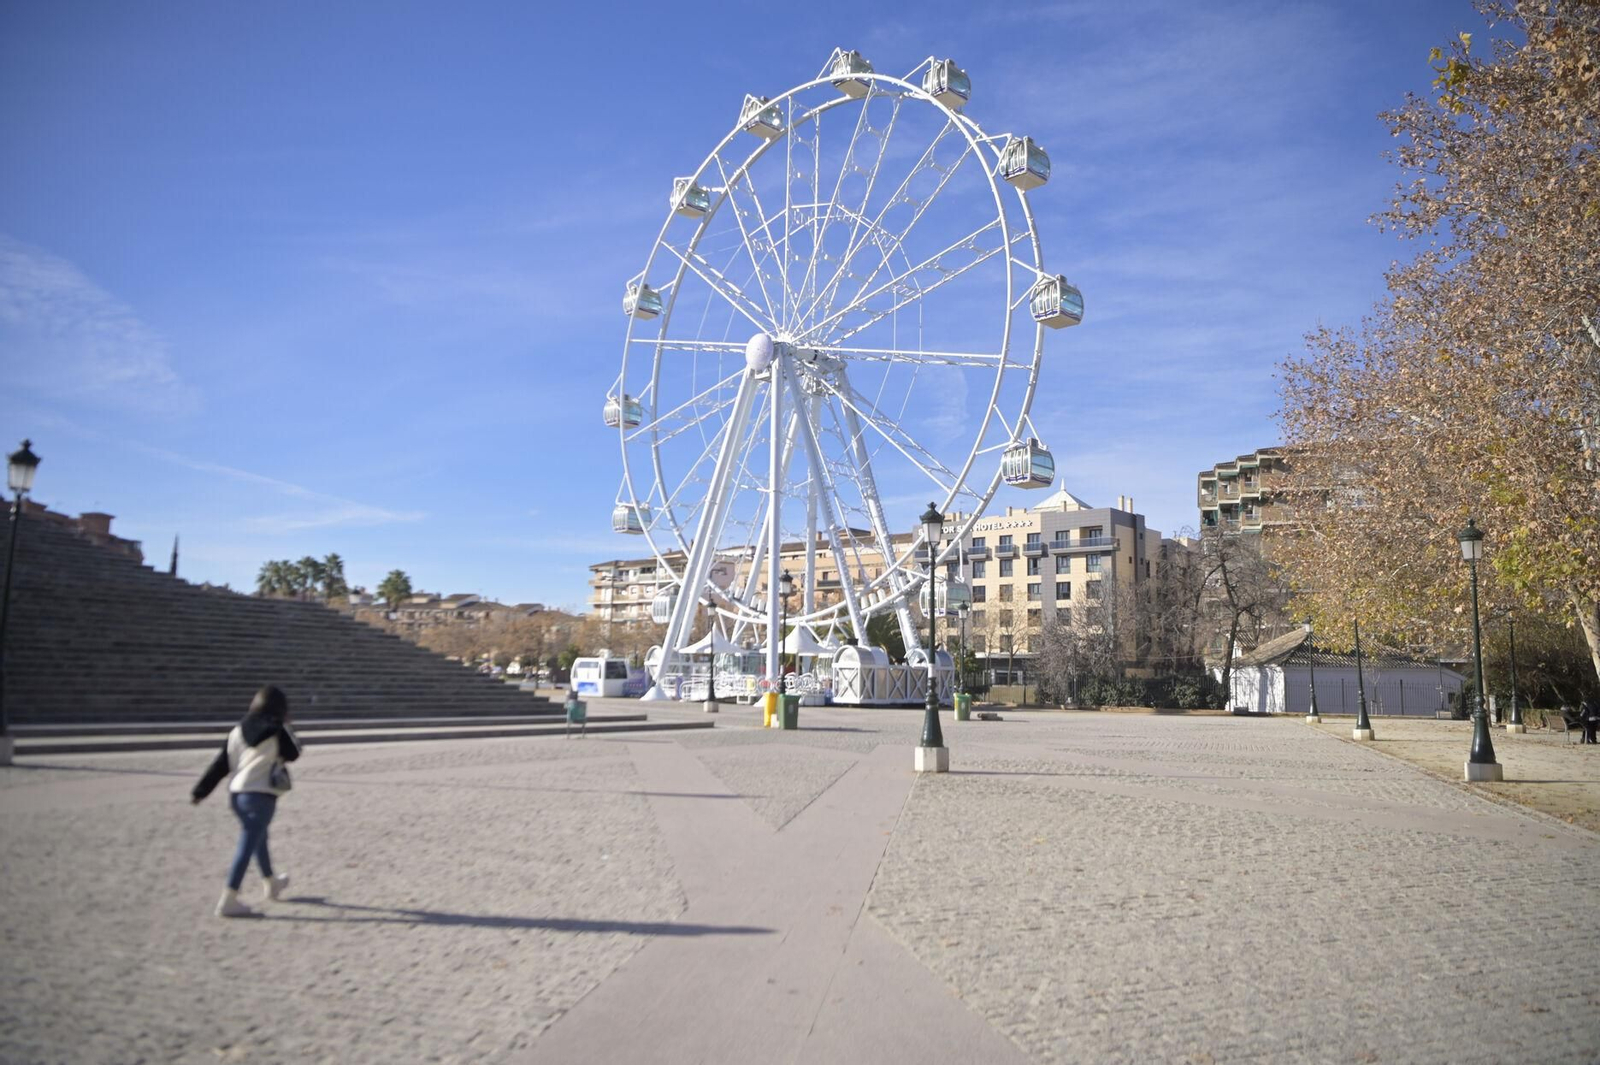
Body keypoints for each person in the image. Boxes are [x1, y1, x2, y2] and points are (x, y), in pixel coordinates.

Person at [192, 685, 301, 917]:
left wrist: (201, 791)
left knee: (259, 838)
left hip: (237, 795)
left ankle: (271, 882)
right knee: (248, 843)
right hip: (259, 795)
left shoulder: (237, 731)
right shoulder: (276, 729)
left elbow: (220, 765)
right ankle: (229, 898)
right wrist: (288, 726)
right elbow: (293, 753)